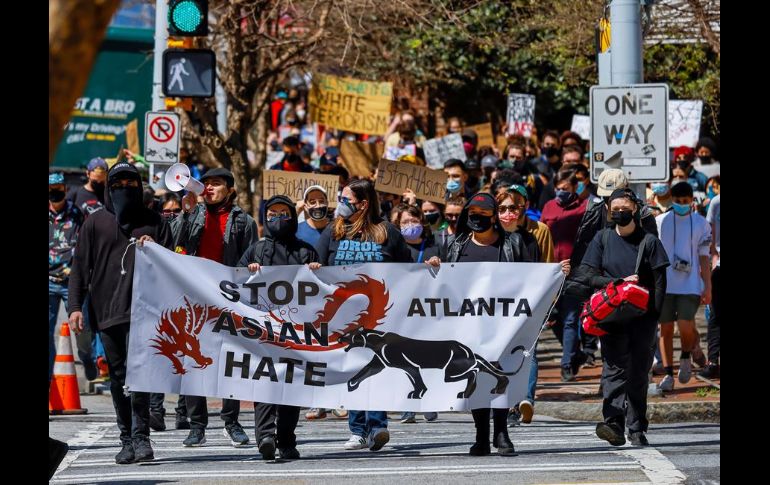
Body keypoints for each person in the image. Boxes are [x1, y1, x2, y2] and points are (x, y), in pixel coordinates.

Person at [68, 162, 175, 464]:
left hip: (146, 312)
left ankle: (142, 438)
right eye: (118, 185)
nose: (125, 190)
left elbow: (176, 268)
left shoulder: (155, 222)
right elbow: (80, 267)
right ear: (108, 188)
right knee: (118, 377)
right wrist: (76, 307)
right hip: (107, 312)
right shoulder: (95, 223)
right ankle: (126, 438)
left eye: (131, 184)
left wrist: (158, 251)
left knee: (140, 375)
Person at [425, 192, 530, 455]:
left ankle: (502, 433)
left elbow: (531, 278)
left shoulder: (513, 244)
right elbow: (444, 282)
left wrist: (555, 274)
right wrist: (435, 265)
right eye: (472, 215)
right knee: (476, 376)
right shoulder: (456, 245)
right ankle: (481, 436)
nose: (476, 219)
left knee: (501, 373)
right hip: (469, 323)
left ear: (494, 217)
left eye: (483, 215)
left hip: (504, 322)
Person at [314, 178, 412, 451]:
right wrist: (314, 266)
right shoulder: (333, 231)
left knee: (376, 368)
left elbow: (408, 269)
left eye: (346, 200)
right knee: (353, 369)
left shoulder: (387, 232)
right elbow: (317, 262)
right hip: (344, 316)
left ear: (364, 204)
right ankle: (358, 429)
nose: (341, 205)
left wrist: (429, 266)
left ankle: (378, 426)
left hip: (381, 314)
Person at [173, 168, 258, 447]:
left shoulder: (243, 220)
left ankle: (231, 422)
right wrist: (185, 213)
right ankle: (197, 426)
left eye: (216, 184)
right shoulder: (193, 213)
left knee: (230, 362)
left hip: (228, 299)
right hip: (195, 299)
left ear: (230, 189)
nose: (208, 188)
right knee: (193, 360)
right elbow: (175, 243)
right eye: (205, 184)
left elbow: (250, 257)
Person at [580, 188, 670, 447]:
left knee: (639, 373)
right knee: (613, 370)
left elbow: (660, 282)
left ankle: (637, 427)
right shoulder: (602, 238)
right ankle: (614, 424)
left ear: (635, 210)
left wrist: (655, 317)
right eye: (614, 208)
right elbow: (588, 275)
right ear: (608, 211)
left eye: (625, 208)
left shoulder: (649, 242)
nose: (620, 212)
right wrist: (617, 283)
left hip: (643, 319)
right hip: (611, 316)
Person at [238, 195, 319, 460]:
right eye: (272, 214)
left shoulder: (306, 250)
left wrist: (318, 271)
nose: (277, 219)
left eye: (283, 213)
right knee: (264, 383)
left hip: (295, 330)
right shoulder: (256, 250)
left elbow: (324, 289)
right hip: (263, 330)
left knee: (290, 386)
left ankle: (286, 440)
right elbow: (235, 282)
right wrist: (248, 272)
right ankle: (265, 437)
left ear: (292, 217)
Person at [655, 182, 712, 391]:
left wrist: (708, 286)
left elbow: (704, 258)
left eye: (685, 202)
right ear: (671, 199)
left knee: (685, 323)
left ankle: (686, 354)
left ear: (692, 201)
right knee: (666, 329)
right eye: (677, 201)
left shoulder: (700, 223)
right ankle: (669, 373)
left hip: (690, 284)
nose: (681, 205)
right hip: (666, 284)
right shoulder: (660, 222)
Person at [49, 173, 84, 384]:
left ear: (65, 189)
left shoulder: (76, 213)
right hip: (49, 281)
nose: (55, 192)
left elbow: (83, 244)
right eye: (51, 188)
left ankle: (88, 358)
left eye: (59, 187)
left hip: (72, 280)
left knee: (82, 332)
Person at [700, 193, 720, 379]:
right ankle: (713, 362)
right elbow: (710, 234)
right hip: (719, 266)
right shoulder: (716, 202)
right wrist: (712, 259)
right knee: (715, 316)